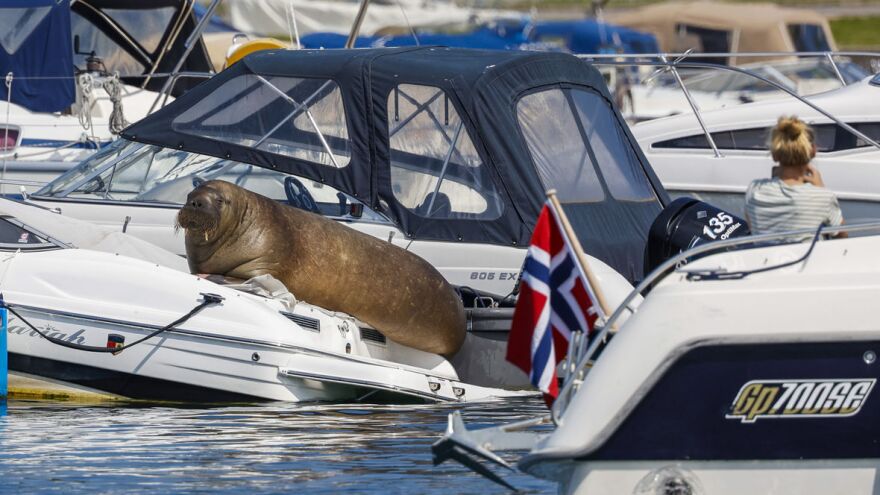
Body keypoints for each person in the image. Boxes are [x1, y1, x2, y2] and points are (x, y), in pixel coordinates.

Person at [744, 116, 846, 239]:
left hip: (767, 257)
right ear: (813, 151)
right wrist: (821, 188)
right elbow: (841, 237)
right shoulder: (823, 197)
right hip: (806, 258)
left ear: (775, 155)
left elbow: (752, 227)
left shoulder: (754, 189)